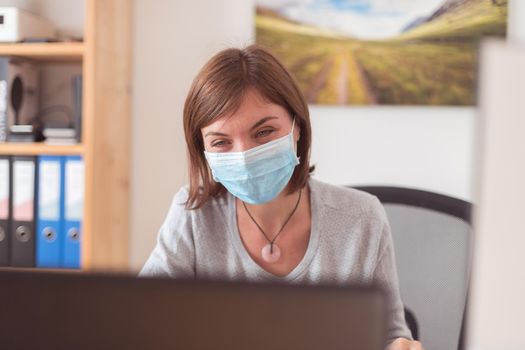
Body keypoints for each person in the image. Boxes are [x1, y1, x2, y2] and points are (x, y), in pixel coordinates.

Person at [140, 45, 424, 350]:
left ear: (297, 127)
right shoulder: (192, 215)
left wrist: (399, 345)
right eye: (221, 142)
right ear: (204, 151)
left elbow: (389, 333)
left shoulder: (362, 217)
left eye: (263, 133)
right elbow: (140, 320)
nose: (245, 156)